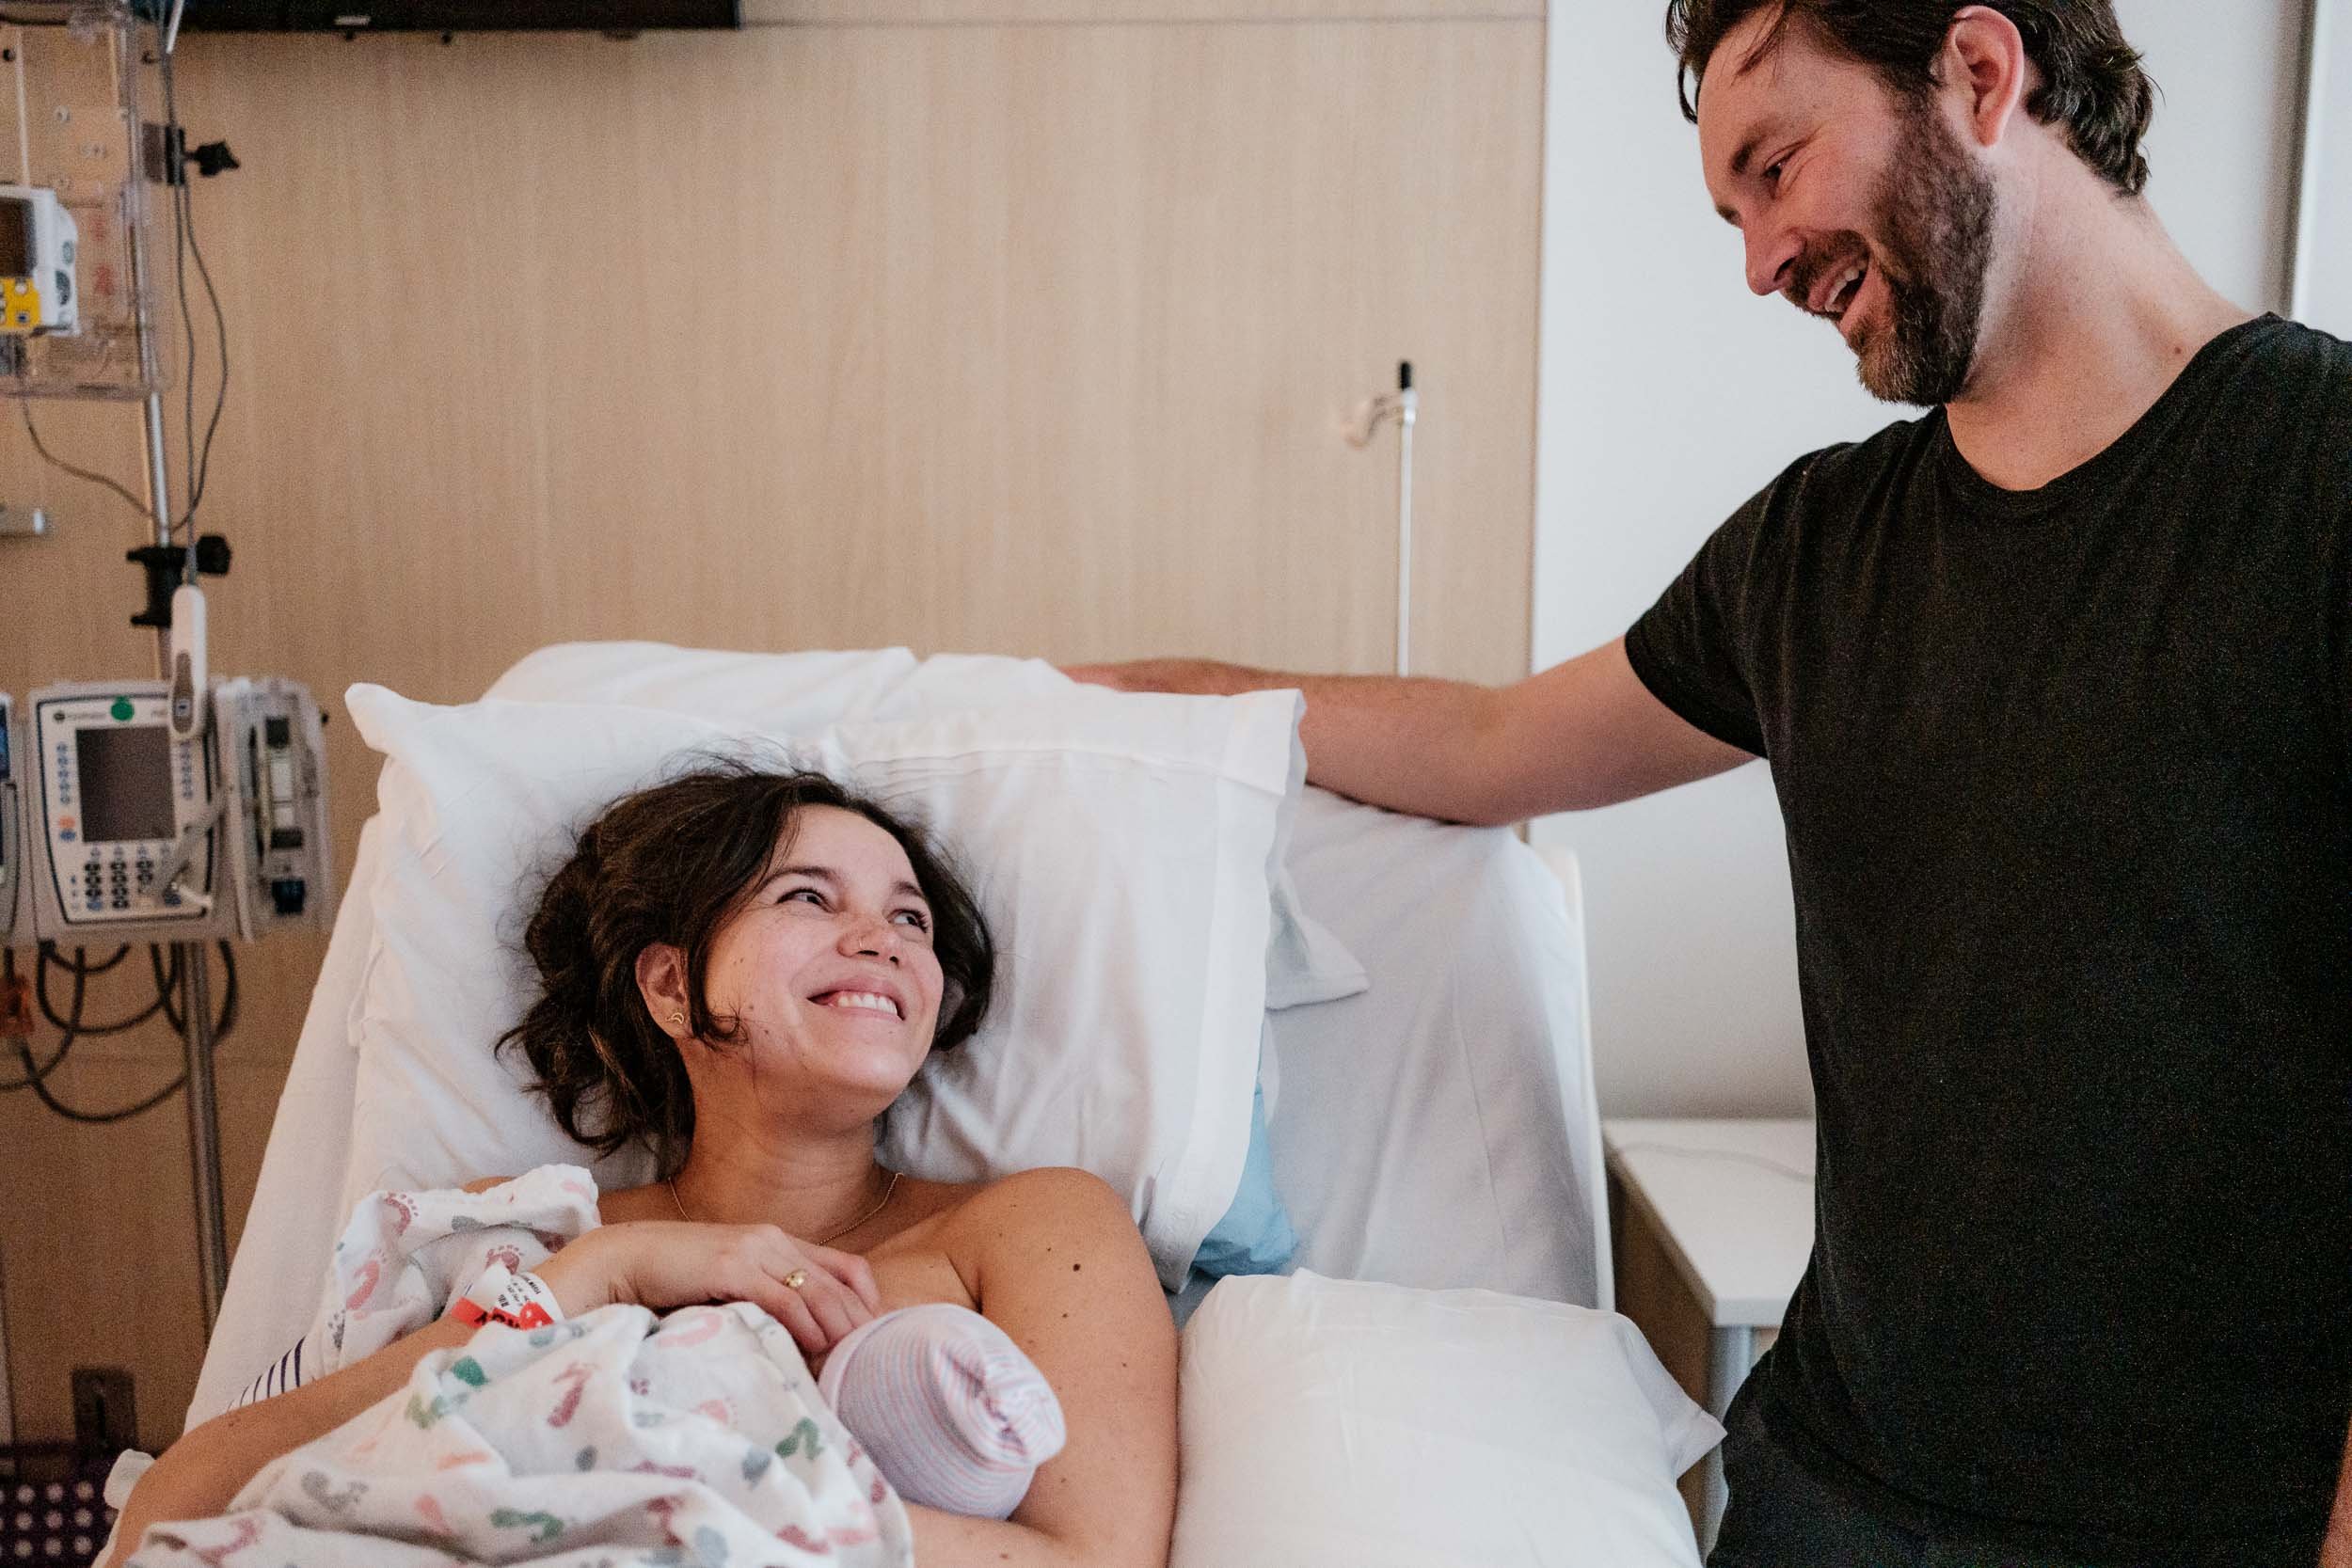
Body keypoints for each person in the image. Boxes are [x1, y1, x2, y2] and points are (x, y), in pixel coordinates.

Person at [1070, 4, 2352, 1564]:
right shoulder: (1815, 550)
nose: (1759, 263)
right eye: (1731, 211)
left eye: (1777, 164)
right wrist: (1120, 707)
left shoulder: (2317, 479)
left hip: (2210, 1531)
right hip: (1826, 1497)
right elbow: (1486, 746)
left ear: (1977, 70)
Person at [105, 765, 1178, 1568]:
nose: (883, 938)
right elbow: (172, 1513)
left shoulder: (1030, 1228)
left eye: (911, 918)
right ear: (669, 985)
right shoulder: (525, 1236)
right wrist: (593, 1280)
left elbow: (1091, 1561)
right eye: (809, 896)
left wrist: (701, 1485)